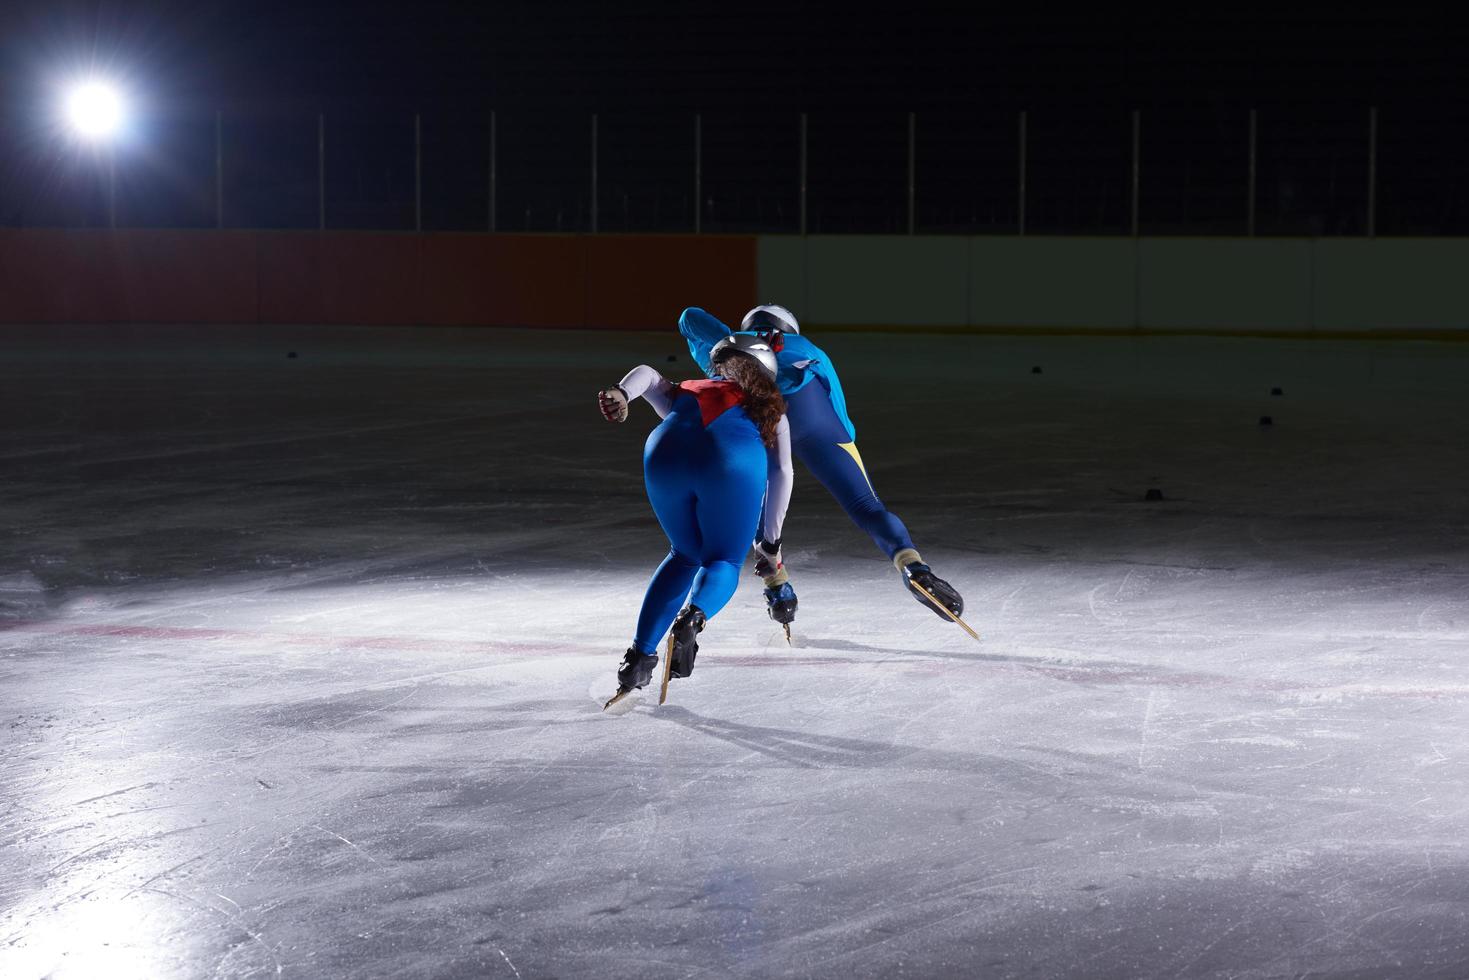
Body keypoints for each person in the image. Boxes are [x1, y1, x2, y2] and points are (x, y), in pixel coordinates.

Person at [678, 303, 964, 627]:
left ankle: (777, 587)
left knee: (762, 500)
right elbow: (839, 410)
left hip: (751, 415)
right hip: (812, 412)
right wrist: (838, 441)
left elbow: (689, 318)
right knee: (867, 506)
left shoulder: (726, 348)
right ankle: (913, 566)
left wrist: (731, 338)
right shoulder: (807, 347)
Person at [597, 334, 793, 706]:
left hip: (664, 454)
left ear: (720, 365)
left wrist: (623, 394)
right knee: (724, 560)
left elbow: (648, 375)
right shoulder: (769, 408)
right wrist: (770, 543)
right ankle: (693, 618)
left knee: (684, 554)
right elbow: (782, 474)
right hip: (729, 462)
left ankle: (638, 659)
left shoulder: (687, 388)